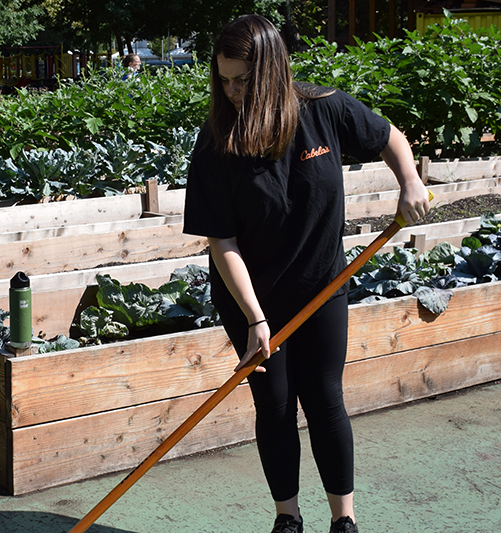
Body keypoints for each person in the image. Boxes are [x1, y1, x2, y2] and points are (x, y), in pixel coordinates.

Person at [183, 14, 430, 533]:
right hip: (252, 295)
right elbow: (221, 241)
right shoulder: (215, 145)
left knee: (324, 397)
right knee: (274, 405)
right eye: (223, 79)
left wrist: (409, 182)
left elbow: (390, 138)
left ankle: (345, 521)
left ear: (271, 71)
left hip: (323, 286)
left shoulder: (325, 110)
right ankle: (288, 520)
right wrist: (255, 319)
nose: (231, 91)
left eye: (243, 80)